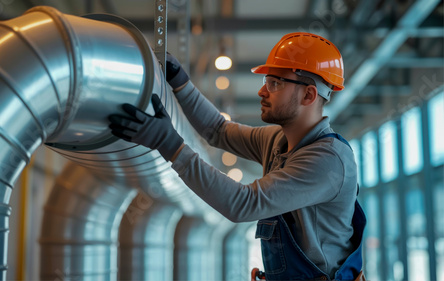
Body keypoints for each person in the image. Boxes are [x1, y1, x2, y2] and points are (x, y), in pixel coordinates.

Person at [108, 32, 366, 281]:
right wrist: (180, 82)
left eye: (275, 83)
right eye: (266, 82)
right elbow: (218, 131)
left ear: (309, 95)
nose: (262, 92)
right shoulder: (279, 140)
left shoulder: (328, 161)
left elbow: (244, 204)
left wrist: (169, 144)